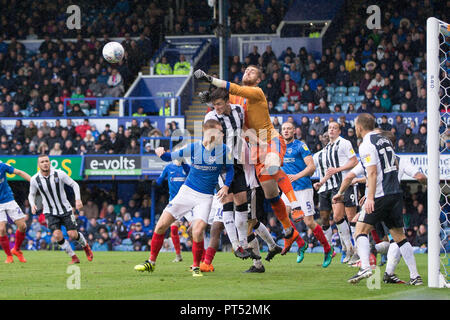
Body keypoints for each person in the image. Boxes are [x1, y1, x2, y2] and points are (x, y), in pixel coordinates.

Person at [194, 66, 303, 253]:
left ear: (259, 80)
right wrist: (210, 98)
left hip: (269, 139)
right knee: (270, 194)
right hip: (255, 145)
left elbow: (233, 88)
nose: (247, 72)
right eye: (246, 70)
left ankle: (296, 206)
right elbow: (224, 101)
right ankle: (288, 231)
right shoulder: (234, 101)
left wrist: (208, 79)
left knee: (272, 165)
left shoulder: (256, 91)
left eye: (253, 72)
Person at [134, 119, 234, 277]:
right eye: (219, 131)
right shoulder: (194, 147)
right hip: (186, 192)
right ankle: (151, 262)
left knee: (198, 230)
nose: (222, 134)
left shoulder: (224, 150)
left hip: (205, 197)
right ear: (209, 132)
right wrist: (161, 153)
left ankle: (196, 266)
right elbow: (170, 157)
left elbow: (230, 169)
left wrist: (226, 186)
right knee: (160, 225)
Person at [338, 114, 422, 285]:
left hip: (380, 194)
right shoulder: (385, 141)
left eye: (355, 126)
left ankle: (366, 267)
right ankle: (415, 276)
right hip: (395, 194)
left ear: (360, 127)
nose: (355, 129)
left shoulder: (366, 144)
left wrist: (370, 197)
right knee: (399, 236)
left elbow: (372, 172)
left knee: (360, 231)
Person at [280, 122, 334, 267]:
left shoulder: (300, 146)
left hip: (303, 188)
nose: (286, 131)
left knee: (309, 222)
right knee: (283, 216)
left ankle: (328, 249)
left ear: (294, 131)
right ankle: (300, 243)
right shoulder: (279, 147)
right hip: (288, 189)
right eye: (284, 129)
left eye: (289, 128)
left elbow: (312, 167)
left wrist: (296, 176)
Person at [28, 155, 93, 264]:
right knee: (57, 235)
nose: (45, 163)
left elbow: (74, 184)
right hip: (50, 212)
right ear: (39, 165)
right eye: (42, 162)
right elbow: (31, 194)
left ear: (50, 163)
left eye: (46, 161)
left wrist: (78, 199)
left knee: (73, 234)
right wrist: (32, 204)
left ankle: (85, 246)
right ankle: (73, 257)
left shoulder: (59, 173)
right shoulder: (35, 179)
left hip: (66, 210)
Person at [313, 121, 358, 264]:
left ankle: (358, 251)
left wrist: (338, 170)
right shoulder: (328, 148)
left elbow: (354, 161)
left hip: (348, 183)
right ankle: (348, 248)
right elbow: (330, 170)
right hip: (334, 186)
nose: (331, 130)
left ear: (339, 131)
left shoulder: (344, 143)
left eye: (334, 128)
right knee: (338, 217)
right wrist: (322, 181)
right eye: (330, 128)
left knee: (351, 218)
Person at [154, 148, 190, 263]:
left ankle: (202, 258)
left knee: (195, 229)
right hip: (174, 202)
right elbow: (160, 180)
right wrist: (155, 183)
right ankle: (178, 255)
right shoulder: (169, 167)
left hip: (189, 202)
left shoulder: (186, 167)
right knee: (173, 229)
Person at [0, 163, 31, 263]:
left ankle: (16, 250)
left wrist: (33, 181)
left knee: (23, 226)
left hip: (8, 200)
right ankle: (9, 256)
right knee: (1, 229)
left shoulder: (2, 166)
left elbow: (19, 172)